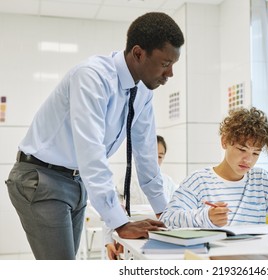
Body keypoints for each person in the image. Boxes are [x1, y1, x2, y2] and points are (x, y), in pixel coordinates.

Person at [5, 12, 184, 260]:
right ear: (139, 53)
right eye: (165, 64)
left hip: (76, 181)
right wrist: (121, 224)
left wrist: (166, 214)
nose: (170, 74)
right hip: (41, 177)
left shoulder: (143, 92)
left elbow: (146, 156)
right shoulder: (92, 77)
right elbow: (91, 152)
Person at [159, 107, 268, 229]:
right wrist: (206, 217)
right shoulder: (199, 181)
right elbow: (168, 219)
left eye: (256, 153)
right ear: (224, 141)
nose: (248, 160)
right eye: (242, 149)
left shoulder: (262, 181)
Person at [104, 135, 178, 260]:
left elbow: (174, 214)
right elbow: (113, 210)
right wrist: (109, 240)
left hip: (159, 239)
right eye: (153, 155)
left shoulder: (169, 182)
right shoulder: (128, 180)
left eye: (160, 156)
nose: (156, 160)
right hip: (131, 240)